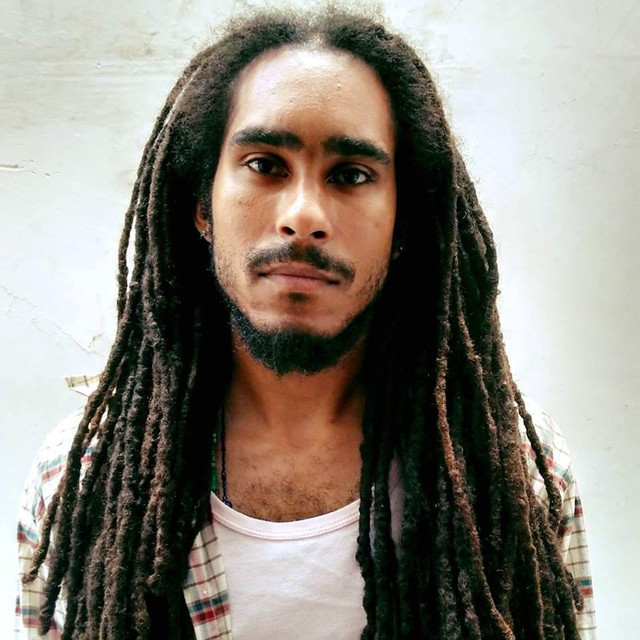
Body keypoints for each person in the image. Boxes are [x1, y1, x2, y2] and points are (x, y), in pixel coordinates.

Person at [15, 9, 596, 640]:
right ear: (202, 207)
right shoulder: (79, 475)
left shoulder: (520, 477)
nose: (303, 215)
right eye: (265, 164)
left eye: (351, 175)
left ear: (402, 225)